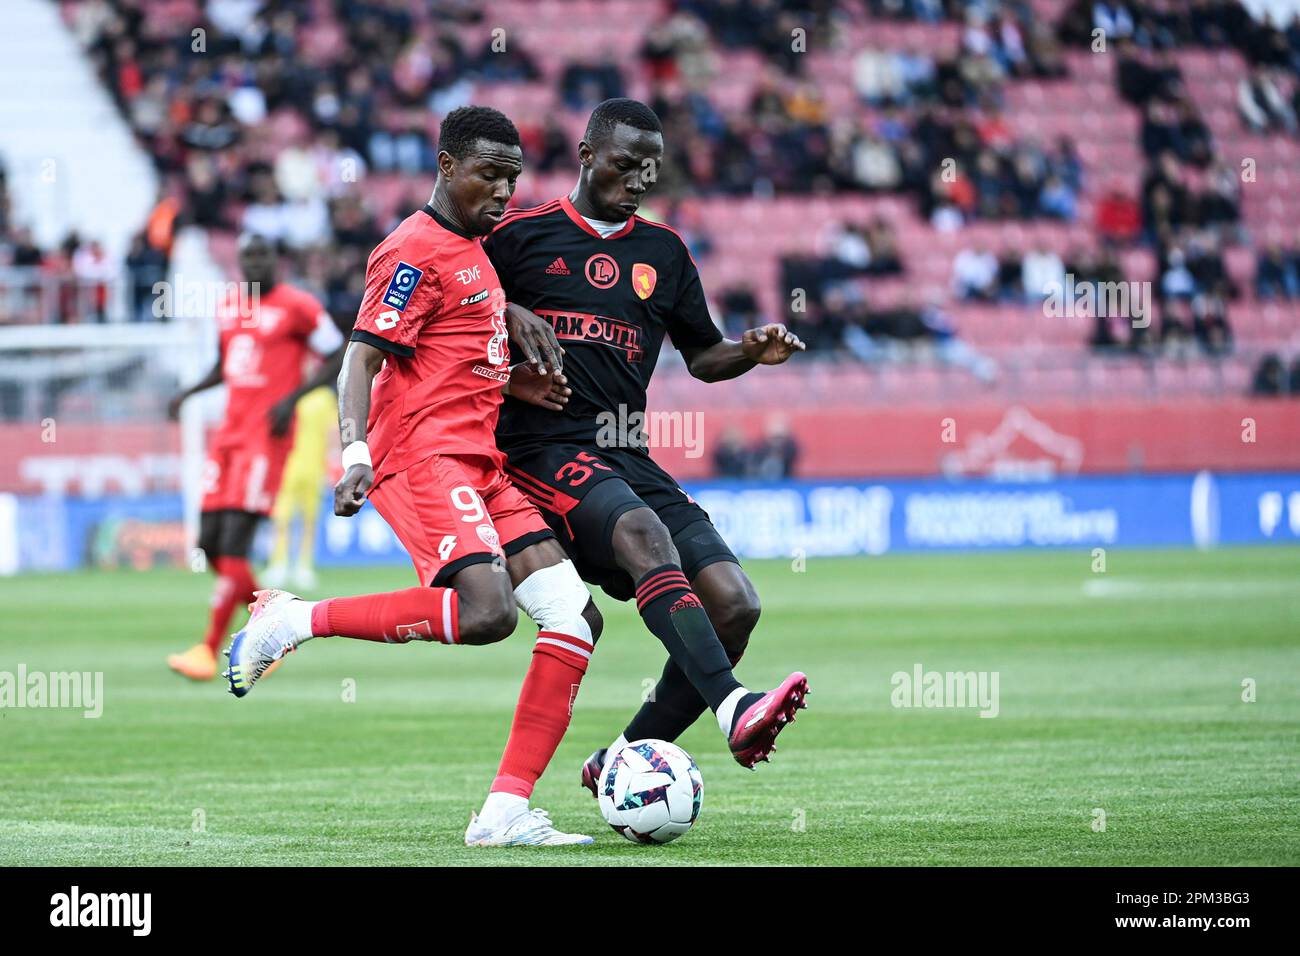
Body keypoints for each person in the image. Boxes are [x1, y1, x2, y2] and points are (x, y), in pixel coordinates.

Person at [221, 106, 605, 848]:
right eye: (488, 175)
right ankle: (291, 620)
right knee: (488, 612)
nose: (501, 191)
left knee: (573, 615)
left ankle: (503, 813)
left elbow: (453, 343)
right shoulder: (409, 251)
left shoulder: (475, 247)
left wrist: (510, 363)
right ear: (447, 167)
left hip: (479, 458)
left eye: (512, 177)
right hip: (421, 456)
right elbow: (360, 357)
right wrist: (355, 452)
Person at [480, 98, 810, 792]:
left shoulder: (663, 252)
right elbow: (451, 318)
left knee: (734, 603)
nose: (638, 179)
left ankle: (620, 759)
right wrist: (506, 325)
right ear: (587, 155)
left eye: (650, 169)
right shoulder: (518, 238)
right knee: (640, 531)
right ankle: (734, 707)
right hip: (542, 448)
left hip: (627, 450)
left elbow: (703, 355)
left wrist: (747, 350)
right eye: (626, 164)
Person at [165, 233, 345, 681]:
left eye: (264, 255)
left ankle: (208, 649)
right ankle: (277, 622)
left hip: (265, 440)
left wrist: (292, 399)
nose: (256, 264)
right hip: (228, 436)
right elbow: (224, 366)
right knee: (208, 546)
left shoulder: (299, 306)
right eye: (248, 258)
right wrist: (188, 393)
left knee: (234, 543)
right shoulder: (229, 306)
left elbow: (337, 351)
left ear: (276, 260)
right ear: (240, 264)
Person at [263, 385, 336, 591]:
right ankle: (279, 563)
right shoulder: (286, 390)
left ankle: (304, 566)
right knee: (281, 518)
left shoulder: (324, 397)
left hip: (314, 466)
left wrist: (333, 463)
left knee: (309, 519)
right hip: (286, 466)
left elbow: (331, 432)